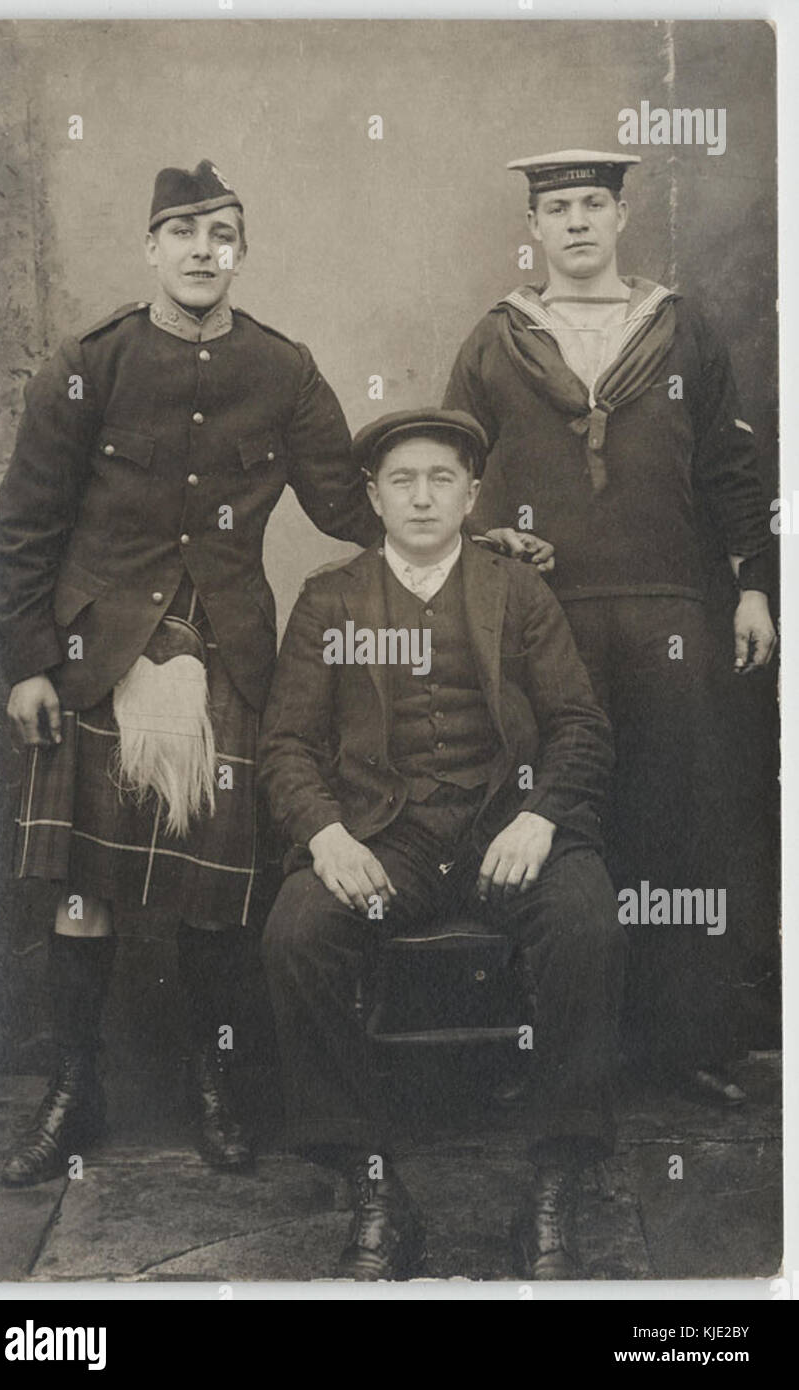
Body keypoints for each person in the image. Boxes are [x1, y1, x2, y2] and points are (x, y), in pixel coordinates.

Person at [0, 158, 381, 1186]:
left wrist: (461, 523)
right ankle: (74, 1092)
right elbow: (23, 526)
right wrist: (28, 663)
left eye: (224, 237)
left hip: (227, 659)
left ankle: (214, 1087)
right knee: (82, 893)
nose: (206, 254)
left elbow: (346, 503)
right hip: (90, 663)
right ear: (151, 248)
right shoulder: (88, 360)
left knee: (217, 900)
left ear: (240, 253)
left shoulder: (284, 370)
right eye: (186, 235)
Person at [258, 407, 626, 1280]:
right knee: (296, 932)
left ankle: (554, 1177)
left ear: (470, 494)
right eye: (402, 482)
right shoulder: (330, 598)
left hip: (510, 830)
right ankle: (373, 1185)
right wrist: (326, 833)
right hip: (392, 843)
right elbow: (283, 746)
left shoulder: (517, 590)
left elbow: (580, 723)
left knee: (589, 924)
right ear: (375, 498)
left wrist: (543, 816)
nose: (422, 498)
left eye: (441, 480)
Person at [442, 149, 776, 1105]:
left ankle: (685, 1048)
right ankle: (555, 1051)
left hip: (674, 608)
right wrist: (482, 533)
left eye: (595, 203)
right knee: (556, 818)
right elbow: (443, 461)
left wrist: (753, 587)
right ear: (535, 228)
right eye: (558, 209)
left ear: (623, 215)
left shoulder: (681, 328)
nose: (578, 222)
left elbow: (728, 469)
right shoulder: (499, 337)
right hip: (542, 618)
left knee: (677, 816)